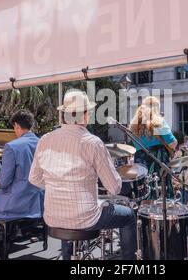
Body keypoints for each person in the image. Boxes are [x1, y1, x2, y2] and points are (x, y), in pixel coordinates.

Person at [28, 90, 136, 260]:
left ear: (64, 115)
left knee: (71, 215)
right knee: (129, 216)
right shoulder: (92, 143)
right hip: (85, 218)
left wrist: (56, 186)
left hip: (52, 217)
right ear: (85, 115)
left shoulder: (45, 139)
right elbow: (114, 188)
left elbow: (33, 178)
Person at [0, 110, 43, 257]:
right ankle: (2, 239)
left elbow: (4, 182)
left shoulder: (12, 146)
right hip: (37, 201)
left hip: (17, 202)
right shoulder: (42, 143)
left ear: (17, 125)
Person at [129, 96, 178, 199]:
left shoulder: (134, 126)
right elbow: (172, 143)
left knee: (144, 194)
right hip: (157, 160)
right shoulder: (158, 122)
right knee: (161, 195)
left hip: (140, 162)